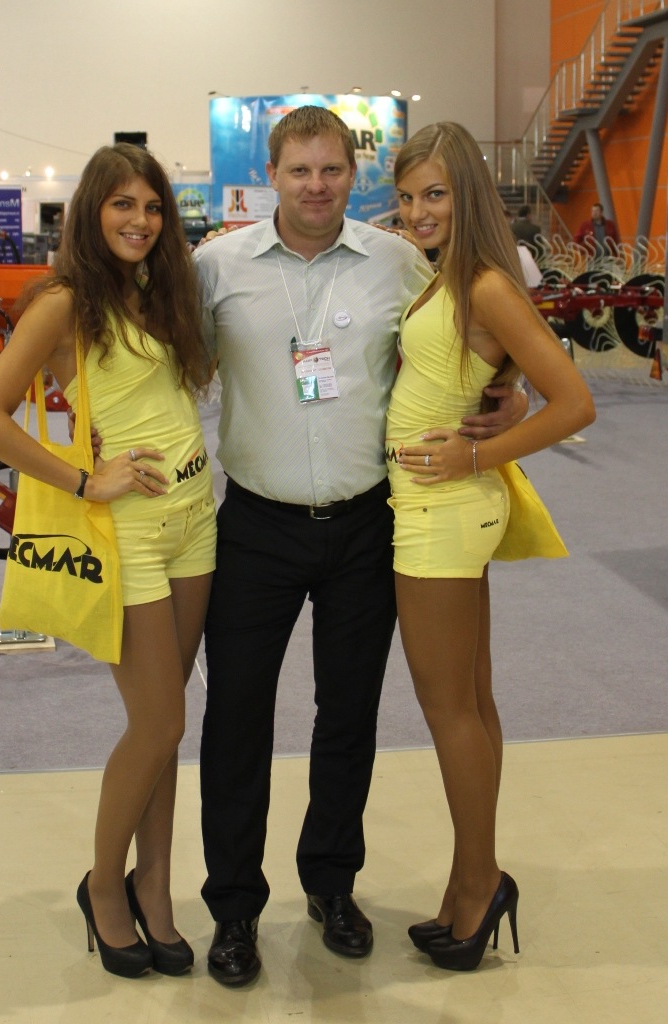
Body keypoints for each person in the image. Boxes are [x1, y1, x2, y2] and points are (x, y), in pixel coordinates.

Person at [193, 105, 527, 987]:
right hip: (256, 525)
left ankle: (331, 886)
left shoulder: (399, 261)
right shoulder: (215, 267)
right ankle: (234, 907)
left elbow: (468, 335)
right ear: (271, 174)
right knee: (236, 719)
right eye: (299, 170)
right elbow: (164, 360)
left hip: (366, 524)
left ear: (353, 173)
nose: (316, 186)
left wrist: (508, 392)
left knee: (348, 716)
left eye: (331, 169)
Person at [0, 144, 216, 979]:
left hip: (194, 523)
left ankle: (156, 888)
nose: (140, 221)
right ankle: (105, 884)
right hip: (127, 533)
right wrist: (83, 480)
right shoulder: (65, 301)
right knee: (159, 722)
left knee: (166, 724)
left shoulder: (158, 290)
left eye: (152, 207)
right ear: (90, 213)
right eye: (122, 205)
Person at [389, 122, 595, 971]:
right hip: (434, 508)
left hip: (440, 513)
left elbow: (574, 403)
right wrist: (497, 396)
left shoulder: (483, 285)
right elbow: (485, 376)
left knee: (451, 712)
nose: (418, 211)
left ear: (467, 192)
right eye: (406, 196)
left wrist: (477, 455)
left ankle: (478, 887)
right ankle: (468, 881)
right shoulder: (448, 277)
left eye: (434, 194)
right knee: (469, 703)